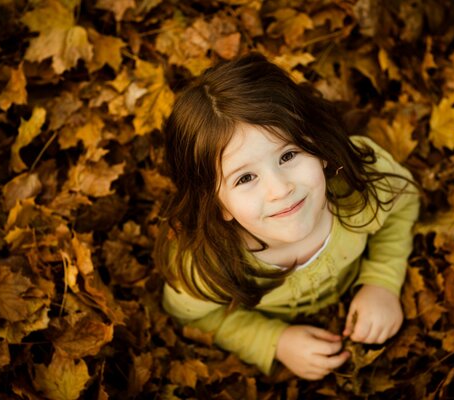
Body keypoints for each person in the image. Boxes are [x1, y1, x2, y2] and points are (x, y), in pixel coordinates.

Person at [154, 53, 420, 380]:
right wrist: (274, 340)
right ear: (217, 204)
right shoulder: (207, 263)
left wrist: (383, 280)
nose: (280, 189)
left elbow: (402, 205)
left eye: (289, 154)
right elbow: (194, 317)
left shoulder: (360, 183)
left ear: (317, 148)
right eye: (245, 178)